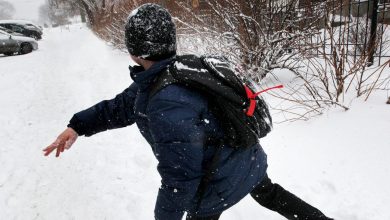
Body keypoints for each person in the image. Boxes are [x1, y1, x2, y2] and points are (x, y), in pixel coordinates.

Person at [43, 3, 333, 220]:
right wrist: (78, 126)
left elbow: (180, 179)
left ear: (135, 51)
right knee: (270, 193)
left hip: (217, 179)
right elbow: (120, 107)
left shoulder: (166, 101)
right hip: (248, 159)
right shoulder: (174, 72)